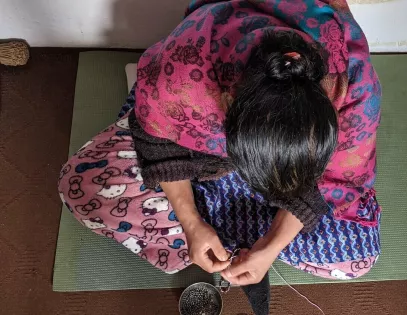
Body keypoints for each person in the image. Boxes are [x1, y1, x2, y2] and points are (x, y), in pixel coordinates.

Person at [58, 0, 382, 285]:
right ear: (225, 103)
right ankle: (210, 228)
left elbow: (337, 180)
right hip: (198, 144)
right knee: (80, 187)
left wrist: (271, 247)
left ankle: (223, 225)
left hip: (264, 155)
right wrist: (191, 223)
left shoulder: (352, 78)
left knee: (356, 258)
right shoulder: (184, 70)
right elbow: (158, 141)